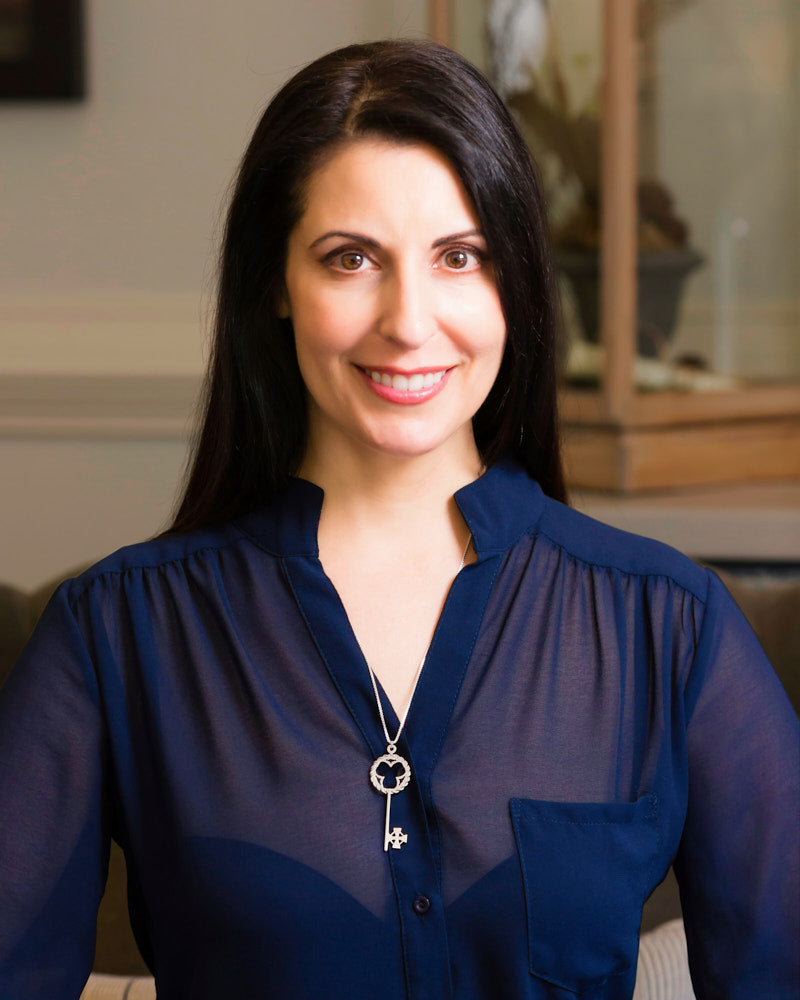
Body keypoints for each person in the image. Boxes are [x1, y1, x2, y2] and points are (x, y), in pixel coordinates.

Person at [0, 39, 797, 1000]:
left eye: (461, 257)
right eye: (351, 259)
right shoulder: (117, 633)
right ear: (275, 284)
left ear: (516, 284)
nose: (410, 321)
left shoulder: (669, 627)